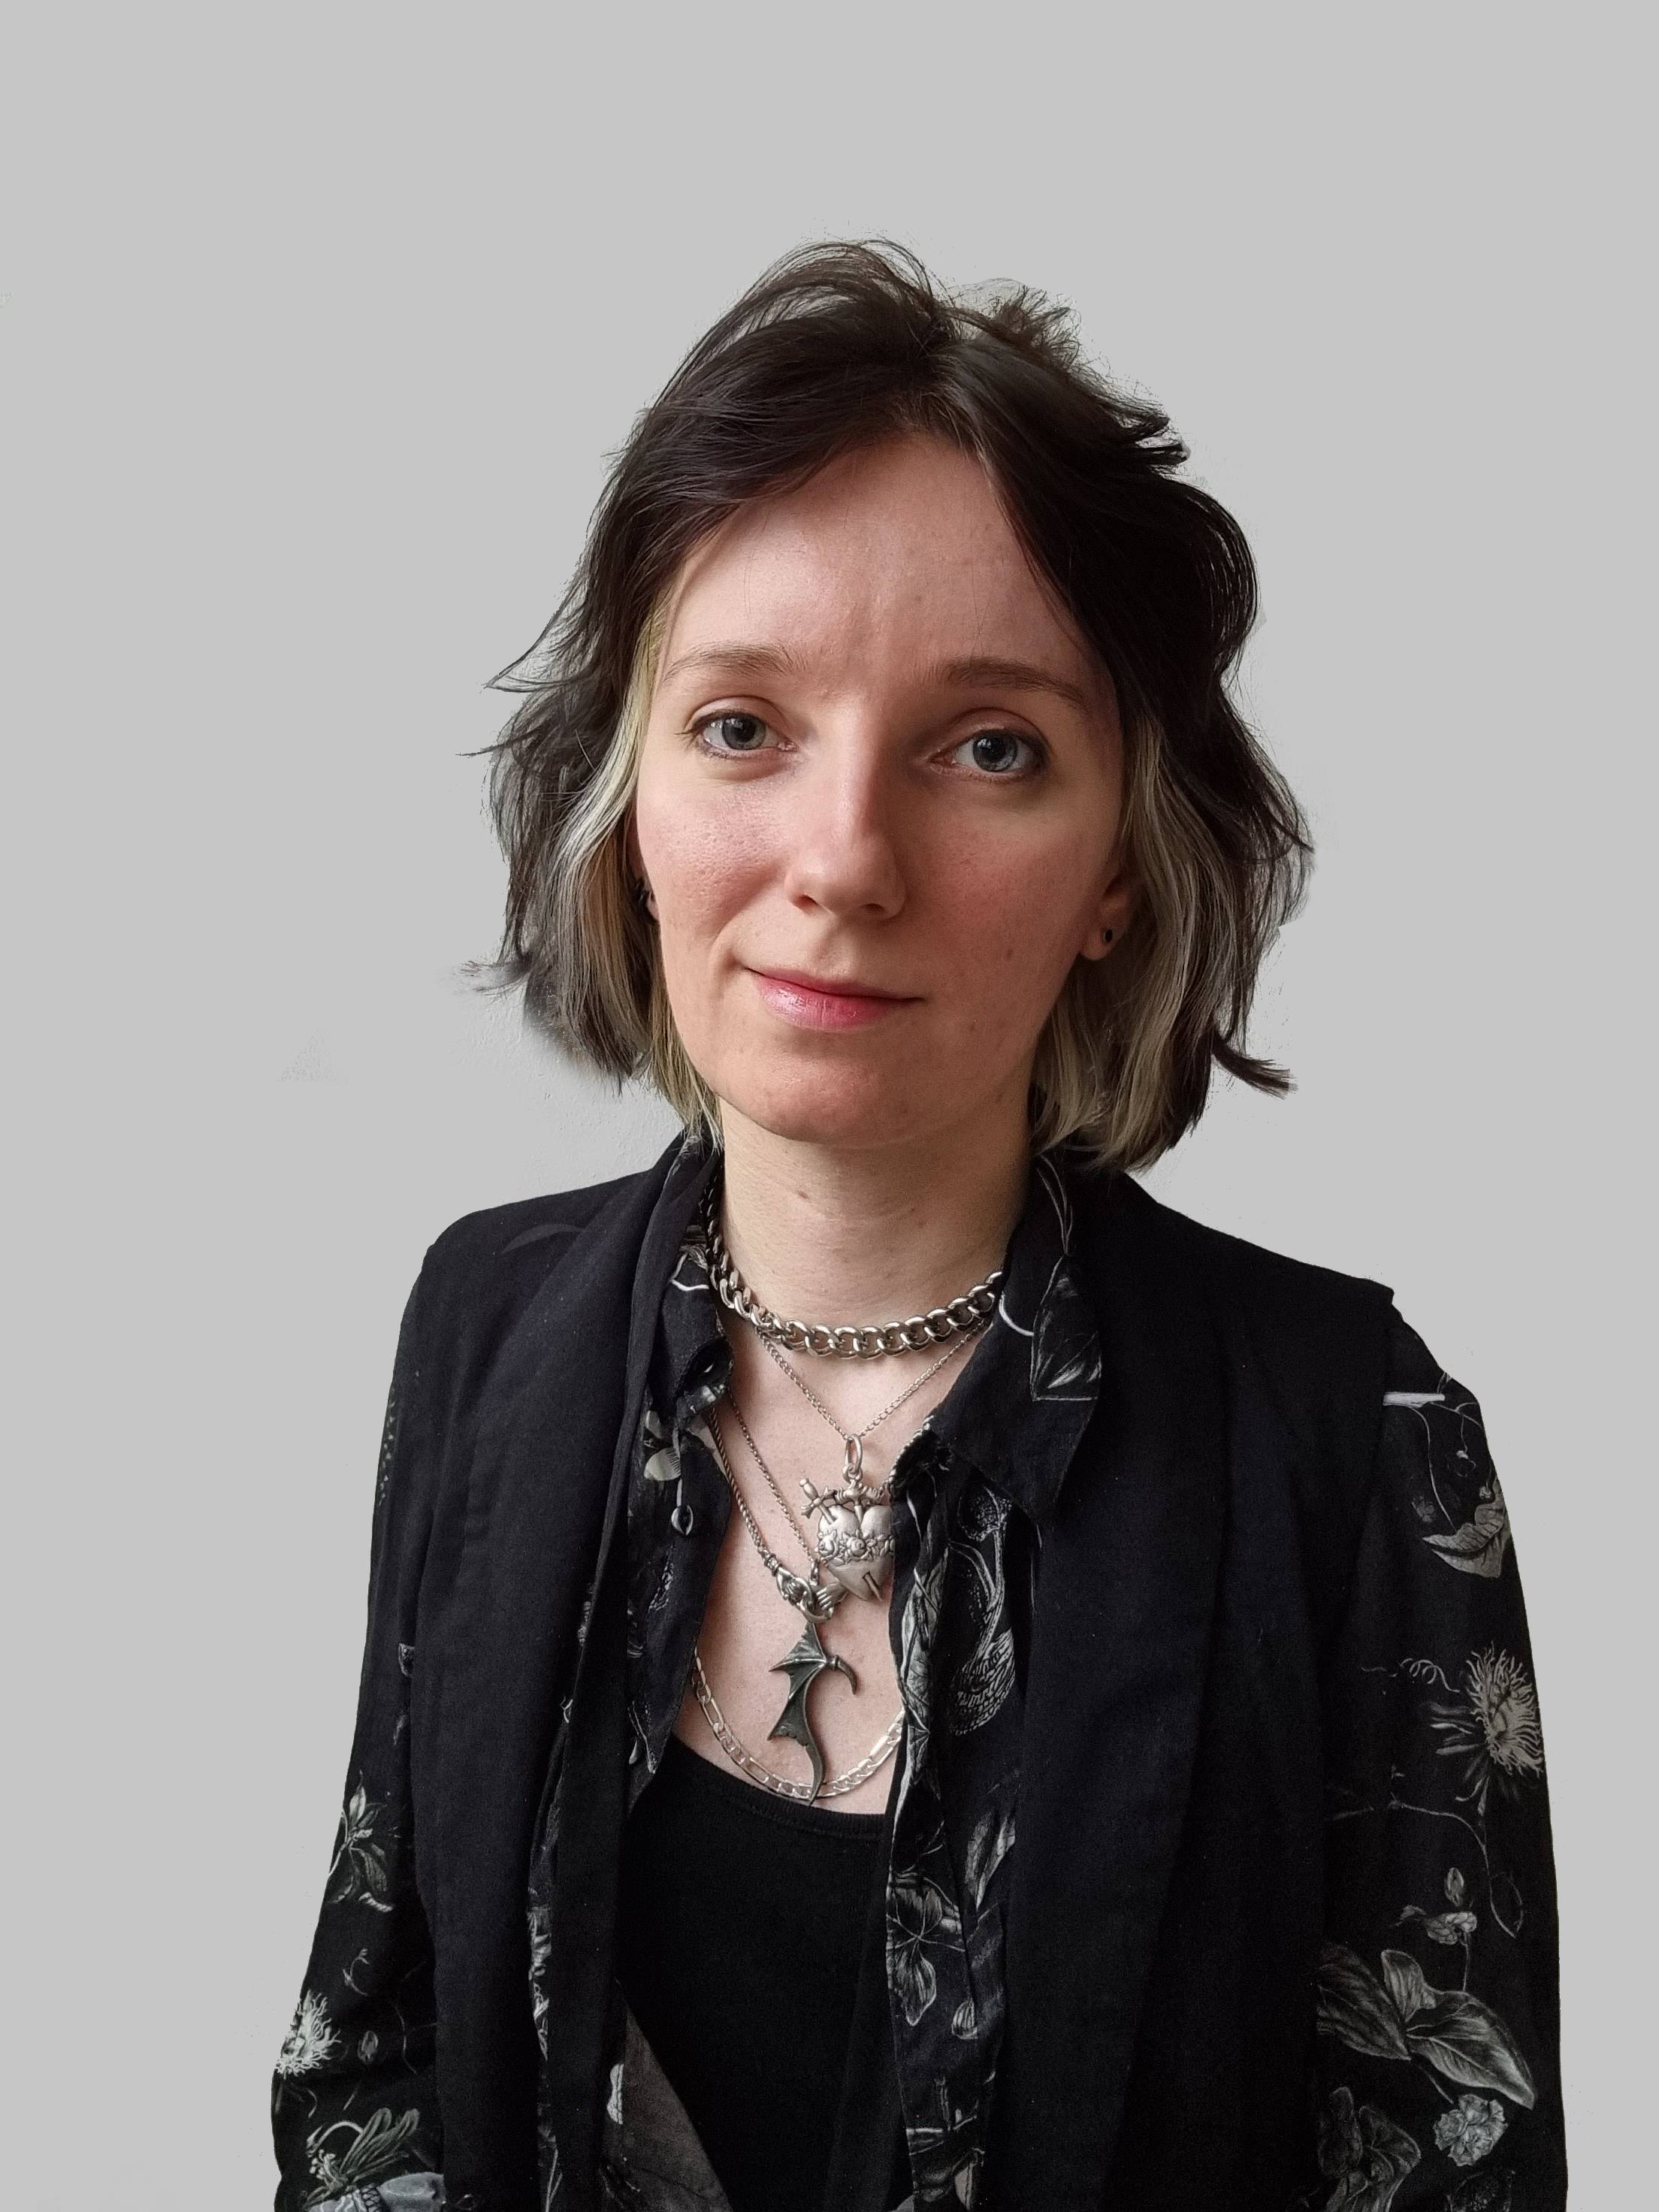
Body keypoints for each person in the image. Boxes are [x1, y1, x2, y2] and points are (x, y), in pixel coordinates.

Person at [270, 240, 1567, 2212]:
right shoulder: (484, 1322)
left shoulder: (1354, 1438)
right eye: (741, 725)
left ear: (1121, 866)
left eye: (991, 748)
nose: (846, 860)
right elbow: (370, 2066)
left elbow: (1444, 2166)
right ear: (629, 805)